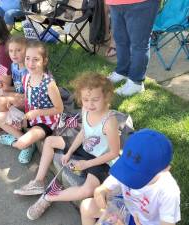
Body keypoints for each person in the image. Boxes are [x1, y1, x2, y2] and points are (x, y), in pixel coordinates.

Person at [14, 72, 120, 220]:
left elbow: (114, 153)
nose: (90, 104)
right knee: (50, 141)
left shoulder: (109, 122)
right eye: (85, 100)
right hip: (85, 145)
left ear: (106, 97)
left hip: (100, 158)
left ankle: (49, 197)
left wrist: (86, 164)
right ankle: (38, 181)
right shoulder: (86, 109)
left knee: (87, 190)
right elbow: (84, 131)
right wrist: (69, 152)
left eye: (95, 100)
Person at [80, 128, 181, 225]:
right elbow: (105, 187)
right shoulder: (129, 164)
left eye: (138, 175)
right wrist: (100, 191)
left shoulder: (168, 192)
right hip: (126, 210)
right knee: (86, 207)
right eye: (127, 169)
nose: (129, 176)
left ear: (165, 169)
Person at [0, 41, 64, 164]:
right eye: (27, 58)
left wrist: (37, 113)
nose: (30, 63)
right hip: (29, 117)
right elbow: (28, 98)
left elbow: (59, 109)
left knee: (21, 143)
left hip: (44, 123)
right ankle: (27, 144)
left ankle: (19, 142)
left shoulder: (49, 84)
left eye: (35, 59)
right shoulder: (26, 77)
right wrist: (16, 106)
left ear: (44, 61)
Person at [106, 0, 160, 96]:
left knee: (139, 44)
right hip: (115, 3)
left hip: (142, 3)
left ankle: (136, 82)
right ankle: (122, 71)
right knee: (120, 40)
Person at [0, 35, 28, 132]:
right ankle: (12, 121)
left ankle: (15, 123)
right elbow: (18, 86)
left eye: (18, 50)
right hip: (19, 95)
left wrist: (9, 94)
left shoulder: (28, 70)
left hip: (27, 100)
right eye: (11, 51)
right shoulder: (14, 65)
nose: (14, 54)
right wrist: (8, 88)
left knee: (0, 101)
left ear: (26, 50)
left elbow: (28, 95)